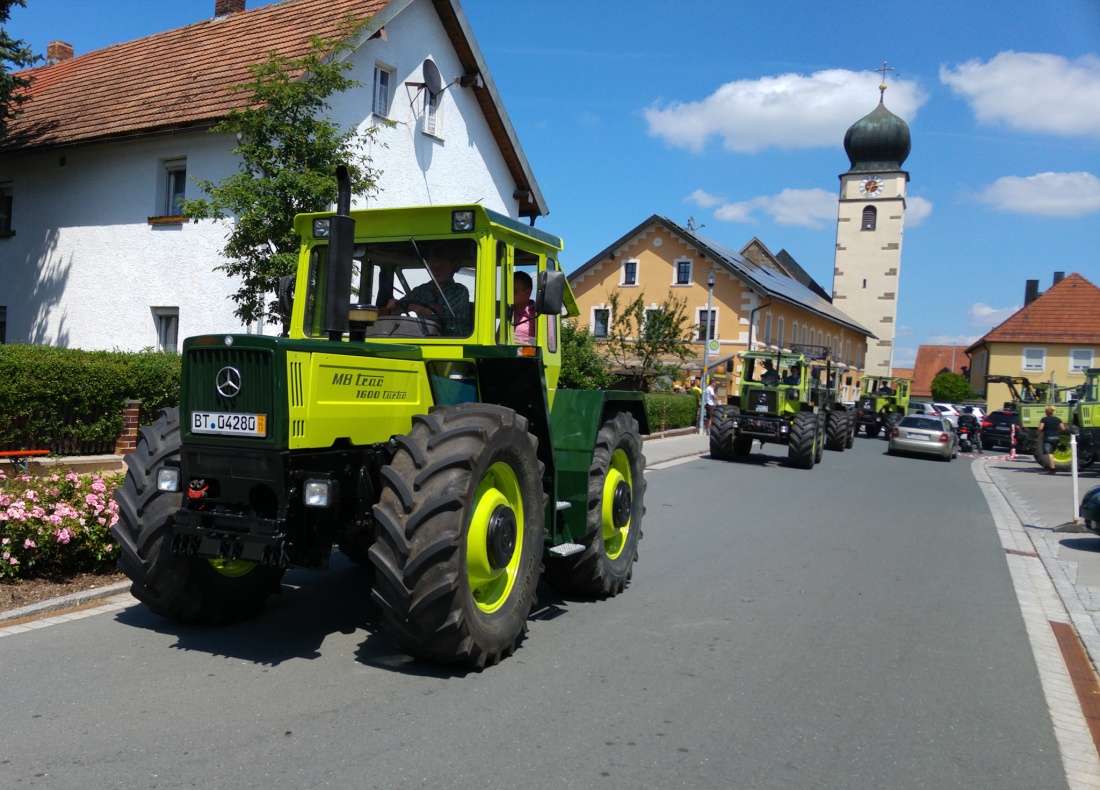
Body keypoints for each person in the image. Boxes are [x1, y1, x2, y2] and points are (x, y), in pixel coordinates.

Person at [381, 245, 471, 336]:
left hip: (456, 343)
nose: (436, 271)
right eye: (433, 267)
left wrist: (406, 304)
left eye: (441, 267)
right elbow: (397, 308)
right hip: (425, 339)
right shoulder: (421, 290)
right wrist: (392, 306)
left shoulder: (460, 290)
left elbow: (436, 311)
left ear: (452, 267)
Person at [1039, 405, 1066, 474]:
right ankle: (1052, 467)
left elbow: (1040, 428)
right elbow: (1063, 428)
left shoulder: (1044, 419)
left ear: (1047, 412)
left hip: (1048, 437)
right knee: (1052, 453)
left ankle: (1052, 469)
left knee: (1049, 453)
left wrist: (1037, 433)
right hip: (1056, 438)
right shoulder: (1058, 419)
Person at [511, 271, 535, 344]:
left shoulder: (538, 314)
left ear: (527, 292)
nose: (510, 295)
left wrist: (526, 344)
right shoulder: (506, 311)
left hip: (526, 354)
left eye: (514, 291)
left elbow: (548, 343)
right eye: (508, 291)